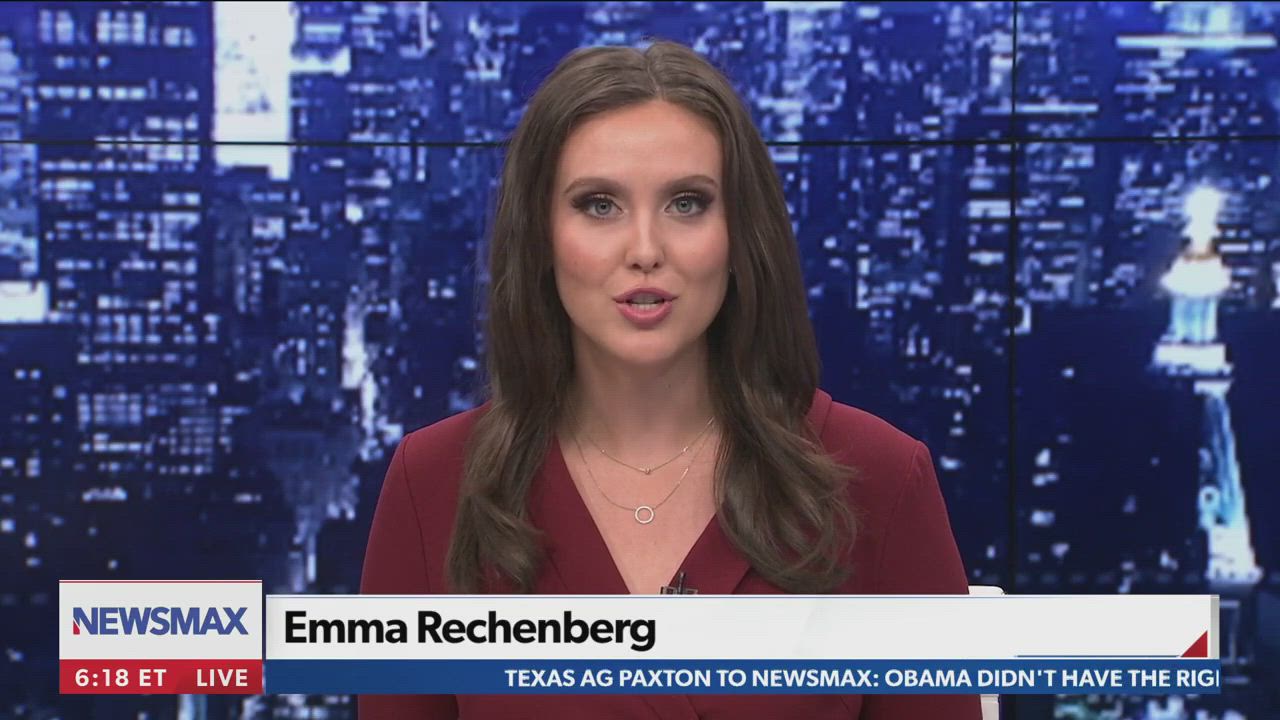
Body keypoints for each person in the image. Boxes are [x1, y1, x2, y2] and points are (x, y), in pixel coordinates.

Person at [360, 39, 979, 719]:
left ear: (740, 234)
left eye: (686, 203)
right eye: (600, 205)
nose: (646, 250)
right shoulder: (435, 482)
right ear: (540, 236)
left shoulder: (880, 478)